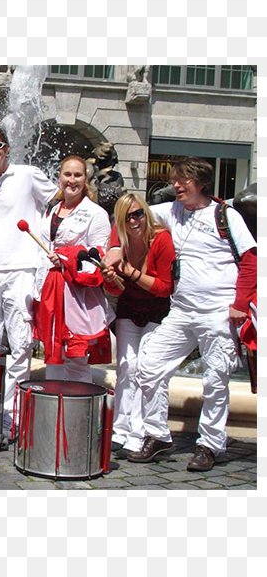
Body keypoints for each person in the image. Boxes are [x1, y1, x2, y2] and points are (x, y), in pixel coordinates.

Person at [106, 158, 256, 471]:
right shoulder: (171, 210)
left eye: (183, 181)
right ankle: (158, 435)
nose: (176, 186)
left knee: (216, 380)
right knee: (150, 365)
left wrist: (240, 304)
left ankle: (210, 444)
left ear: (200, 182)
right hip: (182, 310)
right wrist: (116, 247)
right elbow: (133, 218)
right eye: (175, 180)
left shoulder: (225, 216)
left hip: (218, 311)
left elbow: (252, 259)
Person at [0, 125, 58, 430]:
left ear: (7, 148)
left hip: (21, 268)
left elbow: (58, 201)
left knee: (20, 346)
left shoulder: (28, 174)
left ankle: (12, 417)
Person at [102, 193, 175, 458]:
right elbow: (114, 289)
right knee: (126, 367)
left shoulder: (160, 239)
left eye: (138, 214)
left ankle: (141, 432)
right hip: (129, 307)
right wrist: (110, 276)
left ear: (146, 213)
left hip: (157, 309)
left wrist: (131, 272)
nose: (134, 221)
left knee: (146, 368)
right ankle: (120, 431)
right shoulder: (119, 241)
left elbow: (165, 288)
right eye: (127, 216)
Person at [34, 155, 112, 382]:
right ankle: (52, 413)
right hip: (49, 290)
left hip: (77, 294)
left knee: (76, 359)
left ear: (85, 179)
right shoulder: (52, 210)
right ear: (59, 177)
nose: (72, 180)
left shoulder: (96, 214)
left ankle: (76, 415)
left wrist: (67, 259)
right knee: (53, 354)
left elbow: (99, 258)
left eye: (78, 175)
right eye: (67, 174)